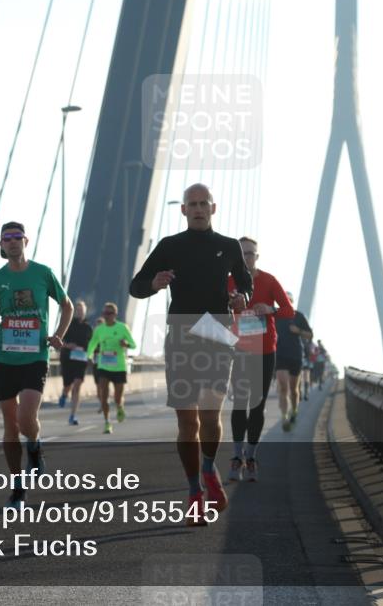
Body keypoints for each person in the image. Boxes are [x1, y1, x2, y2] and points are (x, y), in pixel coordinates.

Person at [130, 183, 252, 526]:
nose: (198, 209)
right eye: (192, 204)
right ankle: (194, 491)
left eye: (203, 203)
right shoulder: (170, 246)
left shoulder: (229, 247)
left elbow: (245, 284)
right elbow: (135, 286)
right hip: (182, 337)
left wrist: (241, 296)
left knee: (211, 414)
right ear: (183, 210)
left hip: (216, 335)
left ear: (213, 208)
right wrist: (154, 284)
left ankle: (210, 468)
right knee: (187, 421)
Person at [0, 221, 73, 509]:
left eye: (17, 237)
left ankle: (36, 445)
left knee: (27, 419)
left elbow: (67, 305)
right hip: (4, 357)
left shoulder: (43, 273)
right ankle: (17, 489)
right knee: (10, 425)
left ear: (26, 241)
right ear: (1, 246)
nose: (13, 242)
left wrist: (58, 335)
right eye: (7, 239)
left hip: (35, 357)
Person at [226, 237, 294, 482]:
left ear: (257, 256)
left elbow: (288, 311)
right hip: (240, 350)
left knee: (257, 405)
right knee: (240, 403)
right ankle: (236, 457)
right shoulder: (229, 281)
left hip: (266, 350)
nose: (247, 258)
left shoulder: (269, 280)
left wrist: (270, 309)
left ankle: (251, 457)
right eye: (242, 254)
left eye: (251, 253)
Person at [86, 302, 137, 434]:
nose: (106, 316)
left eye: (109, 313)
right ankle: (107, 422)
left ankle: (120, 407)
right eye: (105, 313)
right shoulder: (99, 329)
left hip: (119, 367)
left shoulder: (122, 328)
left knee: (117, 398)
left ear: (115, 315)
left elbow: (133, 345)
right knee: (104, 395)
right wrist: (89, 355)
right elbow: (92, 343)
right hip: (103, 366)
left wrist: (125, 344)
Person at [274, 291, 312, 432]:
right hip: (280, 355)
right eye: (283, 300)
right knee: (283, 387)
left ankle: (294, 411)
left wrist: (299, 331)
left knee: (294, 390)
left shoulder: (299, 316)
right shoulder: (274, 316)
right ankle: (284, 417)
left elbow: (310, 335)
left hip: (296, 355)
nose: (285, 302)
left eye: (288, 300)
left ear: (292, 301)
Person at [59, 300, 93, 425]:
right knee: (68, 385)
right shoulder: (68, 324)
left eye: (82, 311)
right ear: (75, 312)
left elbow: (92, 344)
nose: (79, 313)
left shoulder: (88, 328)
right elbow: (59, 341)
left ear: (85, 313)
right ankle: (64, 394)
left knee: (77, 385)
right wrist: (68, 345)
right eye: (77, 310)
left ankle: (72, 415)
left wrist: (91, 354)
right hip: (68, 358)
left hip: (81, 359)